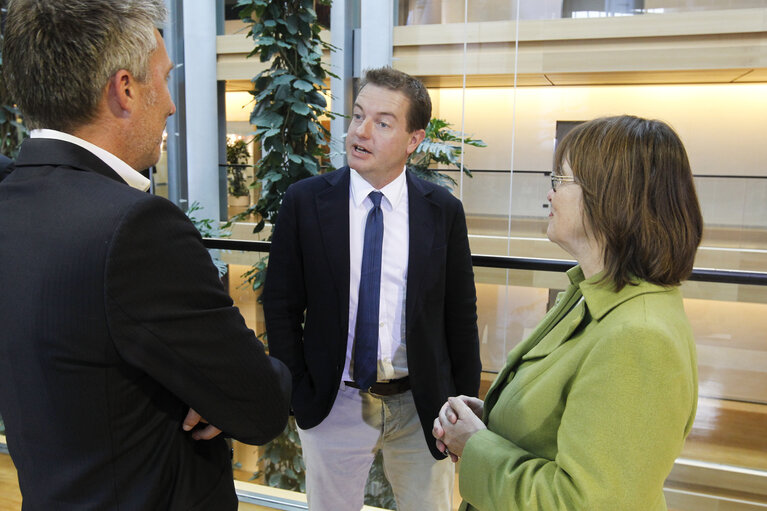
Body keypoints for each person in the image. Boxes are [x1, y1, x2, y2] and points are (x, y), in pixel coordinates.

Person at [0, 1, 291, 509]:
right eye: (164, 78)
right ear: (125, 89)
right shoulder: (136, 227)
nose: (172, 104)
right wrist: (220, 390)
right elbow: (260, 404)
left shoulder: (11, 202)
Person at [433, 115, 703, 511]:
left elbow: (585, 503)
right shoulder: (594, 295)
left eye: (560, 180)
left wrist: (476, 445)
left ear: (612, 197)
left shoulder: (639, 337)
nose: (550, 194)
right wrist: (494, 419)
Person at [262, 67, 481, 511]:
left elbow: (460, 314)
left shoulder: (442, 211)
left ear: (413, 140)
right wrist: (298, 393)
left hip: (422, 408)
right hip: (334, 401)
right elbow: (281, 304)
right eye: (358, 116)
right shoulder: (305, 202)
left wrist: (462, 407)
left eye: (382, 122)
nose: (360, 131)